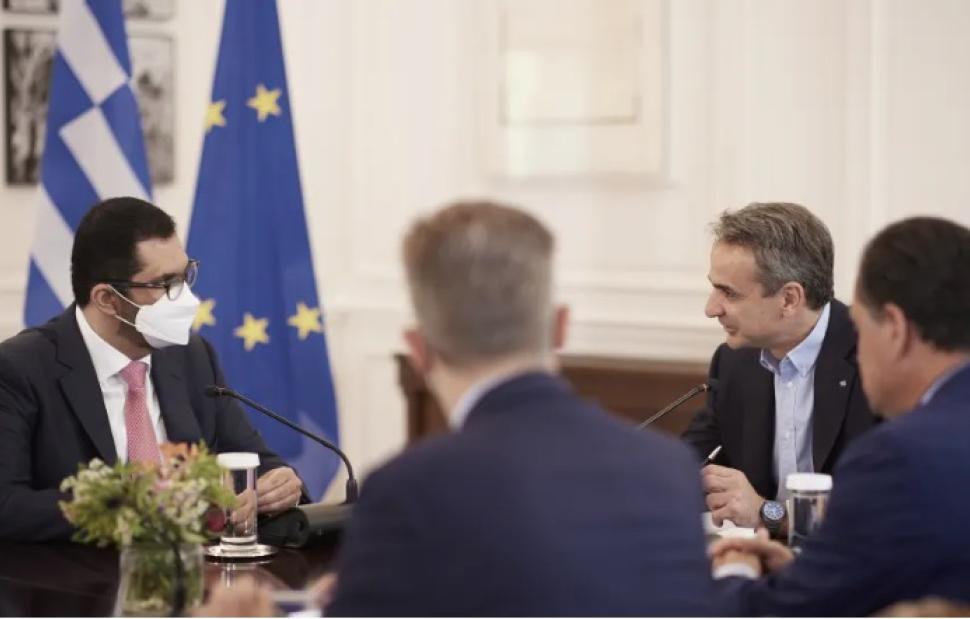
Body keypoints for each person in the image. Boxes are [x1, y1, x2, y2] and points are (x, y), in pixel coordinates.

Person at [0, 197, 303, 541]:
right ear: (107, 299)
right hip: (76, 571)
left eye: (186, 276)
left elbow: (255, 461)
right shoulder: (20, 368)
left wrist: (278, 485)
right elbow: (7, 505)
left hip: (194, 567)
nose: (186, 298)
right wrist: (137, 506)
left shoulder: (192, 356)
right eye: (165, 284)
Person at [709, 216, 970, 615]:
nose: (857, 352)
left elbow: (773, 612)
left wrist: (735, 567)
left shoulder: (900, 453)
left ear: (895, 329)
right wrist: (806, 572)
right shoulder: (736, 364)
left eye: (861, 330)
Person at [683, 202, 877, 533]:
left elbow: (886, 505)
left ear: (789, 299)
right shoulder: (734, 362)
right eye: (714, 287)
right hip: (759, 556)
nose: (711, 308)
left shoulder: (876, 358)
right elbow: (691, 462)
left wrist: (769, 514)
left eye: (728, 293)